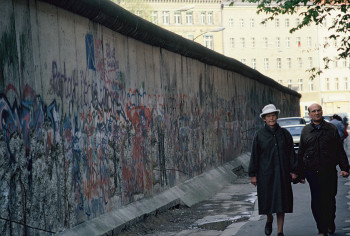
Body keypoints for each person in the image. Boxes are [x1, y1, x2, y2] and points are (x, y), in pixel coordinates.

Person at [298, 104, 350, 236]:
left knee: (329, 198)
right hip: (312, 171)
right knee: (316, 200)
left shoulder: (330, 128)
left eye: (318, 110)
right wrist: (300, 173)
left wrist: (345, 168)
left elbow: (339, 149)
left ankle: (330, 221)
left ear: (322, 112)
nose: (316, 113)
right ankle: (321, 229)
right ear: (309, 114)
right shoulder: (306, 131)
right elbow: (301, 153)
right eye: (313, 111)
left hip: (328, 170)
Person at [249, 104, 298, 236]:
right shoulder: (259, 135)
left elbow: (291, 153)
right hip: (265, 174)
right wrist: (253, 174)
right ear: (264, 119)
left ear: (277, 116)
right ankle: (269, 218)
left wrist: (294, 171)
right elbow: (254, 155)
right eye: (268, 116)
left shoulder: (285, 134)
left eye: (273, 115)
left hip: (282, 173)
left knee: (281, 202)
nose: (271, 118)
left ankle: (280, 231)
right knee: (267, 200)